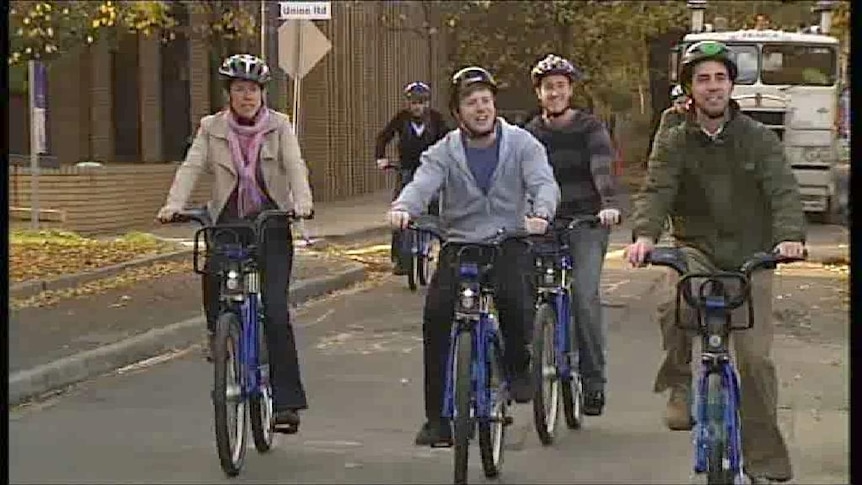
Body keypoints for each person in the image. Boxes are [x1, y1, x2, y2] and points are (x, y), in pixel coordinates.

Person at [625, 41, 806, 484]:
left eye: (720, 78)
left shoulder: (758, 138)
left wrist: (788, 239)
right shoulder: (674, 139)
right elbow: (656, 190)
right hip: (697, 248)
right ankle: (681, 383)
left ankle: (764, 459)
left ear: (730, 85)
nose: (712, 87)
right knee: (673, 302)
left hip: (752, 255)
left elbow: (782, 190)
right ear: (690, 88)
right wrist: (645, 237)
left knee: (756, 361)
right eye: (702, 79)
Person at [387, 66, 561, 446]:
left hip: (508, 239)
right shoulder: (444, 150)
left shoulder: (522, 143)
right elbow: (422, 184)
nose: (480, 108)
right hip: (460, 244)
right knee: (435, 318)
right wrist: (404, 209)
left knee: (515, 300)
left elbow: (543, 181)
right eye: (471, 102)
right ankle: (437, 419)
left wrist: (541, 214)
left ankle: (518, 368)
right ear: (458, 110)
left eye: (485, 100)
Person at [157, 53, 314, 434]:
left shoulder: (280, 126)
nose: (247, 97)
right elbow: (191, 167)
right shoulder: (211, 128)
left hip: (272, 222)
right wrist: (173, 204)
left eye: (254, 90)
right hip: (230, 220)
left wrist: (302, 203)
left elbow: (295, 166)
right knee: (212, 275)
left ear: (263, 94)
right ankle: (219, 332)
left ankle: (286, 404)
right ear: (229, 93)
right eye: (240, 89)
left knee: (275, 312)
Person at [524, 54, 622, 416]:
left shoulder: (589, 127)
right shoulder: (530, 133)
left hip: (586, 220)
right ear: (539, 93)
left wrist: (608, 203)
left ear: (570, 90)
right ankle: (526, 363)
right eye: (548, 87)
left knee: (583, 295)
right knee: (520, 289)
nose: (554, 93)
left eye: (560, 86)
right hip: (543, 222)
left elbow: (601, 166)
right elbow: (520, 175)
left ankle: (593, 381)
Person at [375, 82, 449, 275]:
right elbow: (383, 137)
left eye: (421, 102)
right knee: (400, 210)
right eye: (414, 102)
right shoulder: (401, 118)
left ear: (427, 103)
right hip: (407, 169)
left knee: (438, 210)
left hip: (431, 171)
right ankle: (400, 259)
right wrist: (381, 157)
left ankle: (445, 256)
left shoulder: (436, 119)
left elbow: (448, 141)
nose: (417, 106)